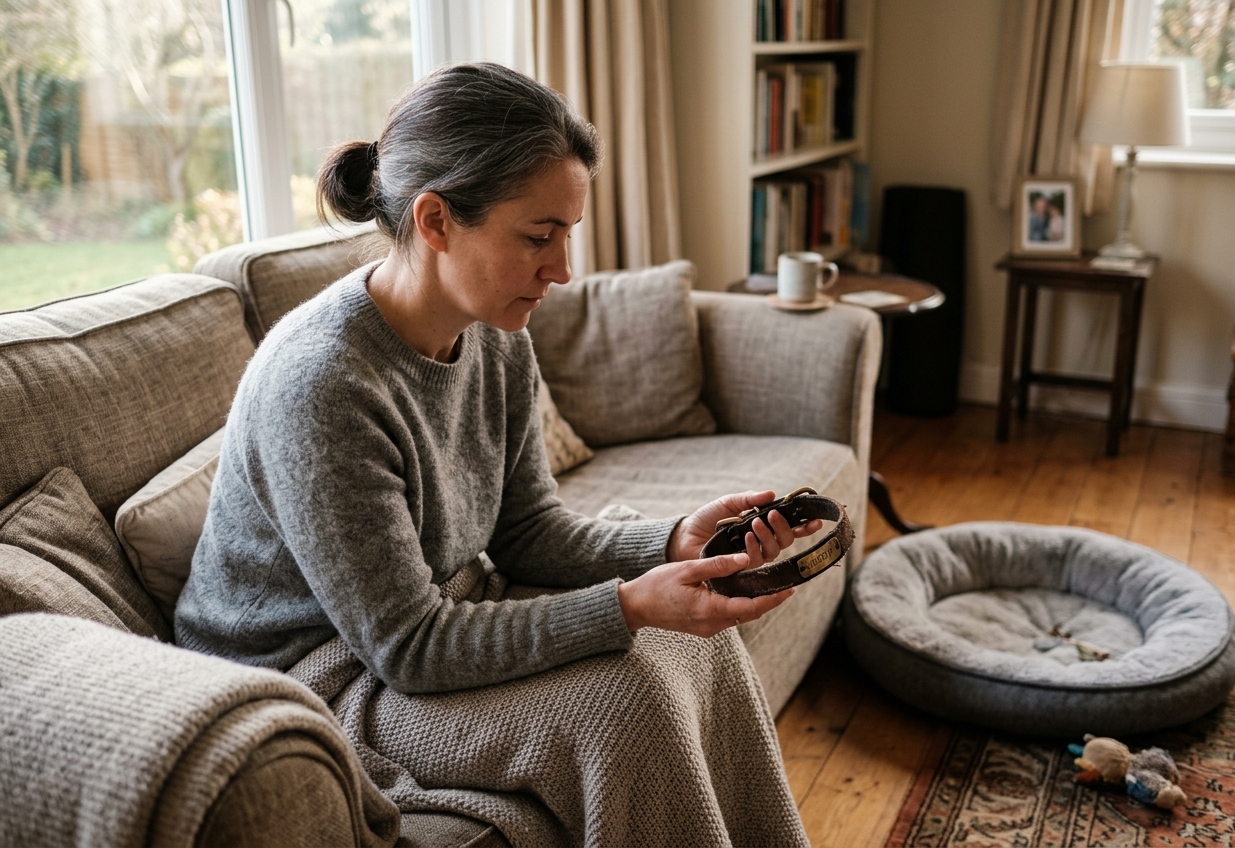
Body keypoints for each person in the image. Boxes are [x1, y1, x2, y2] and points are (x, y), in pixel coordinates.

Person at [175, 62, 813, 846]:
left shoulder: (496, 338)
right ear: (436, 220)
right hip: (312, 674)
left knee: (694, 651)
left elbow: (530, 530)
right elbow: (410, 643)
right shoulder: (323, 385)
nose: (563, 270)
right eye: (539, 237)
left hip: (426, 619)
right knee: (625, 703)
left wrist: (673, 539)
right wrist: (630, 603)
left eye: (567, 235)